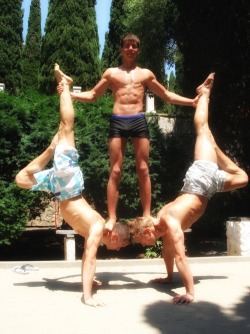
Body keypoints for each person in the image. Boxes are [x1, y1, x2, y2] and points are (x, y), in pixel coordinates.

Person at [15, 64, 130, 307]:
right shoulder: (99, 229)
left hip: (60, 190)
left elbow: (91, 261)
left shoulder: (97, 233)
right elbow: (88, 259)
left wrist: (91, 280)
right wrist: (87, 296)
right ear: (115, 235)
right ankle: (65, 85)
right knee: (66, 127)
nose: (118, 249)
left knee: (21, 180)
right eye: (121, 244)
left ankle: (50, 148)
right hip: (69, 184)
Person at [128, 73, 248, 304]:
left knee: (202, 128)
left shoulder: (169, 222)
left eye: (141, 241)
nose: (142, 245)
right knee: (243, 178)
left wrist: (190, 292)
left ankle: (204, 93)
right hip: (207, 189)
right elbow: (169, 251)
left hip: (200, 179)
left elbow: (181, 257)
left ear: (148, 232)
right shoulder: (161, 226)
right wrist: (168, 277)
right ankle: (212, 138)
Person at [67, 33, 199, 230]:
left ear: (138, 50)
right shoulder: (111, 73)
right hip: (118, 121)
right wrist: (69, 95)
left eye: (134, 46)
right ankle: (111, 217)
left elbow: (166, 95)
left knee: (143, 169)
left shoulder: (145, 74)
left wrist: (191, 102)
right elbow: (94, 95)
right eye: (127, 45)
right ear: (121, 49)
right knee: (115, 171)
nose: (130, 49)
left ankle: (146, 214)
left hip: (138, 120)